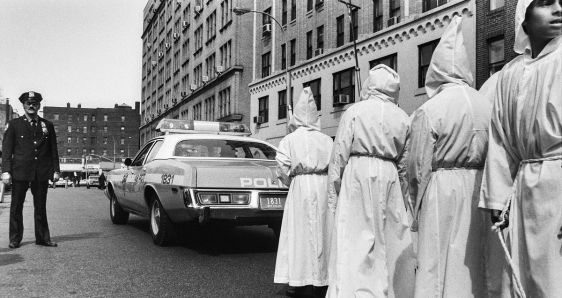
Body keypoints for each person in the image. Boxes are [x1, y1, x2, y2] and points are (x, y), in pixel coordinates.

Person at [479, 1, 562, 297]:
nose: (558, 10)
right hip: (523, 187)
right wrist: (498, 197)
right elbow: (500, 141)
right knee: (521, 277)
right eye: (544, 3)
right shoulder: (510, 73)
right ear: (523, 19)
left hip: (558, 186)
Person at [407, 16, 492, 298]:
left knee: (437, 255)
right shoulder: (486, 103)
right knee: (474, 256)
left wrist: (415, 206)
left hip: (442, 185)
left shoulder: (431, 109)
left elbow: (418, 166)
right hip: (481, 184)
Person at [326, 65, 414, 298]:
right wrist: (402, 195)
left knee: (354, 237)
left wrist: (335, 193)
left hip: (357, 173)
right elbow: (405, 163)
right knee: (388, 238)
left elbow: (339, 156)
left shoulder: (354, 112)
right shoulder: (403, 117)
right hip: (389, 174)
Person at [274, 87, 334, 298]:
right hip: (323, 184)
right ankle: (322, 279)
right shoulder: (326, 139)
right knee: (323, 231)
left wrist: (292, 182)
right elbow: (335, 166)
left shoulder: (289, 140)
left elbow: (281, 166)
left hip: (300, 185)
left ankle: (299, 280)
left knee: (299, 233)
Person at [1, 91, 60, 249]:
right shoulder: (14, 125)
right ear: (23, 105)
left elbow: (53, 149)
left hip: (40, 172)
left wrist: (56, 170)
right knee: (16, 206)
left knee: (40, 206)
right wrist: (5, 170)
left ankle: (42, 238)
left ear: (39, 105)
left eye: (34, 103)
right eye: (28, 103)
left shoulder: (47, 125)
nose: (31, 106)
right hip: (20, 172)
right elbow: (7, 150)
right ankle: (15, 238)